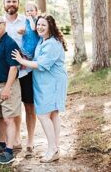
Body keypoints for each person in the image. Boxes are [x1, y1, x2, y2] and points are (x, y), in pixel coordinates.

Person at [12, 15, 68, 163]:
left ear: (50, 26)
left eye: (43, 25)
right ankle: (56, 148)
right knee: (53, 115)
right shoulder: (43, 41)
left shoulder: (52, 44)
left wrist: (20, 60)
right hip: (45, 83)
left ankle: (52, 149)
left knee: (43, 115)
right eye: (38, 25)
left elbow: (41, 64)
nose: (40, 27)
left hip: (53, 83)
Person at [2, 0, 36, 159]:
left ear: (18, 3)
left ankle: (30, 141)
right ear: (4, 3)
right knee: (14, 108)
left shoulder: (26, 20)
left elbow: (37, 34)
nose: (11, 4)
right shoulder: (0, 23)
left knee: (30, 106)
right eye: (8, 1)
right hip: (10, 73)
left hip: (27, 71)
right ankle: (16, 138)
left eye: (14, 1)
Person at [0, 15, 21, 165]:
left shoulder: (10, 43)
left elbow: (14, 67)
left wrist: (7, 88)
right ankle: (2, 145)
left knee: (8, 118)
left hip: (8, 86)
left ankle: (9, 151)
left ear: (4, 24)